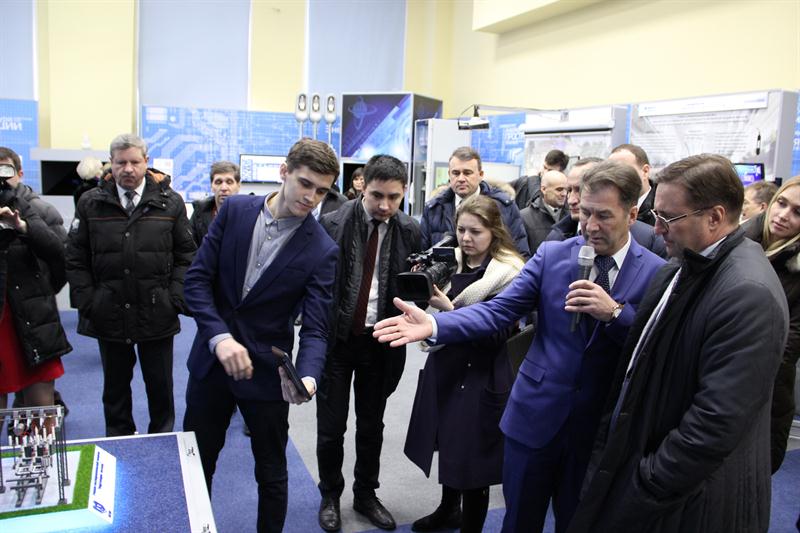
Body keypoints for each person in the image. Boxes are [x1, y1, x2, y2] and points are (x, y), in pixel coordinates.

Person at [374, 160, 665, 533]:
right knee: (519, 521)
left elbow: (653, 345)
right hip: (534, 418)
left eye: (604, 216)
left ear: (632, 214)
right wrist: (435, 324)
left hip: (598, 429)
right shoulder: (552, 256)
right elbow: (498, 311)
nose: (590, 226)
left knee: (579, 522)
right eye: (585, 213)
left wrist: (616, 314)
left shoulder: (657, 271)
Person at [568, 154, 789, 533]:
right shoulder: (684, 265)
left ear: (714, 218)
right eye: (656, 214)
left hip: (686, 503)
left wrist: (643, 486)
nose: (656, 229)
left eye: (668, 218)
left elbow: (712, 426)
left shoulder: (748, 294)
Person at [182, 138, 340, 533]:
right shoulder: (234, 210)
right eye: (305, 183)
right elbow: (197, 281)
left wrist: (308, 377)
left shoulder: (322, 249)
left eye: (322, 191)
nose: (311, 197)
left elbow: (317, 326)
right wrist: (219, 337)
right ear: (284, 172)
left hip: (268, 376)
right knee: (195, 465)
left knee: (272, 474)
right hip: (210, 365)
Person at [406, 195, 524, 533]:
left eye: (475, 232)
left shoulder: (508, 274)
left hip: (482, 373)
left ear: (494, 231)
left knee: (474, 463)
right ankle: (448, 510)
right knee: (449, 444)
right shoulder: (448, 262)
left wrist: (449, 311)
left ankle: (470, 525)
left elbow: (496, 335)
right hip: (446, 365)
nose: (466, 238)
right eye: (461, 230)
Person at [316, 154, 421, 532]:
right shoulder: (332, 223)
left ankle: (365, 494)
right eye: (377, 195)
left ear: (404, 191)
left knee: (371, 425)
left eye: (394, 197)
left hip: (382, 342)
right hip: (338, 341)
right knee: (331, 427)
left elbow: (415, 289)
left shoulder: (410, 230)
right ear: (363, 187)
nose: (385, 205)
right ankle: (330, 494)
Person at [66, 133, 196, 437]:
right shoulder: (91, 203)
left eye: (134, 162)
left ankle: (161, 438)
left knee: (160, 387)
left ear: (146, 162)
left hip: (157, 312)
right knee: (115, 390)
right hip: (108, 310)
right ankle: (119, 439)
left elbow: (187, 256)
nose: (128, 169)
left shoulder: (170, 202)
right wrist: (89, 301)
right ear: (110, 163)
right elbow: (75, 257)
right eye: (121, 162)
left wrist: (173, 298)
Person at [0, 147, 72, 414]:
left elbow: (59, 254)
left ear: (19, 173)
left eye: (5, 172)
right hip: (5, 321)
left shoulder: (34, 208)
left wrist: (22, 227)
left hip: (35, 319)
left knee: (40, 417)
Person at [742, 176, 800, 473]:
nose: (783, 215)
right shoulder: (738, 242)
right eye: (782, 203)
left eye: (797, 212)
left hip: (767, 383)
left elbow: (790, 342)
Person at [420, 146, 530, 258]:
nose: (461, 179)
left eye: (467, 173)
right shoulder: (433, 209)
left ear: (480, 175)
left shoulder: (503, 206)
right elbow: (423, 255)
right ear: (449, 175)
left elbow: (520, 253)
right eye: (456, 173)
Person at [546, 158, 667, 258]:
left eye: (603, 216)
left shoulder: (652, 245)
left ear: (632, 215)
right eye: (569, 190)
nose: (571, 200)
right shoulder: (551, 249)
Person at [190, 161, 241, 247]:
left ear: (238, 185)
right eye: (218, 182)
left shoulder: (249, 214)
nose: (224, 188)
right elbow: (190, 248)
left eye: (229, 182)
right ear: (211, 186)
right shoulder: (199, 213)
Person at [520, 169, 568, 253]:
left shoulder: (572, 216)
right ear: (544, 189)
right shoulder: (524, 217)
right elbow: (521, 252)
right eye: (559, 189)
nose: (564, 194)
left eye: (567, 189)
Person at [608, 144, 656, 226]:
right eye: (611, 172)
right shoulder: (606, 206)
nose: (615, 177)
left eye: (623, 170)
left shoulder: (662, 210)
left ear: (645, 171)